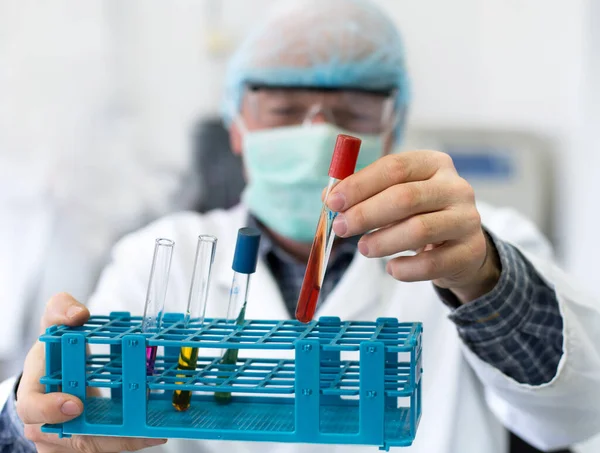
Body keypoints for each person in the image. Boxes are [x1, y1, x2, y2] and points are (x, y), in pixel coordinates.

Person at [3, 0, 600, 452]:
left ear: (395, 124)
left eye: (351, 110)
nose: (317, 131)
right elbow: (81, 414)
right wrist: (30, 422)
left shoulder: (480, 244)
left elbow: (575, 409)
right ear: (237, 126)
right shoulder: (161, 257)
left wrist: (484, 279)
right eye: (284, 109)